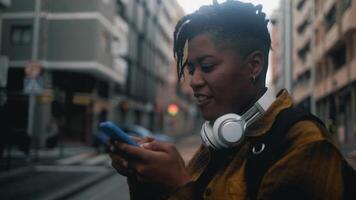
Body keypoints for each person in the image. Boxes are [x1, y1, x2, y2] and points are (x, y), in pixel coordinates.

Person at [109, 1, 350, 199]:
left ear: (253, 66)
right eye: (191, 69)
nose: (194, 80)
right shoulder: (219, 140)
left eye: (207, 66)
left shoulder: (304, 146)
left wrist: (178, 185)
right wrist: (146, 181)